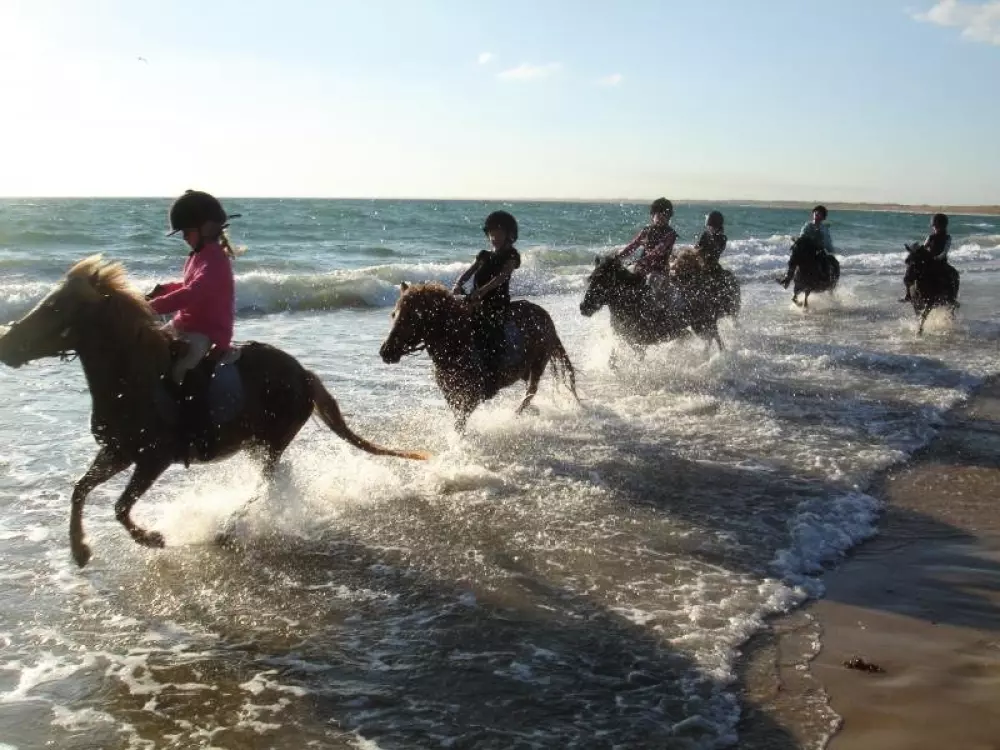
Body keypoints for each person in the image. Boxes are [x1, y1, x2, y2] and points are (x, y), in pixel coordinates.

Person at [146, 190, 239, 461]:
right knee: (148, 349)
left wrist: (152, 307)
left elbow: (192, 293)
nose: (184, 237)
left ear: (206, 228)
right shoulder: (197, 256)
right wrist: (161, 290)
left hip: (207, 333)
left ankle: (197, 430)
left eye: (187, 231)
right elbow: (185, 287)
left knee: (182, 369)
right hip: (184, 325)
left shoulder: (215, 260)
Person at [452, 210, 522, 397]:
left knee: (491, 336)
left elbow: (502, 277)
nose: (494, 237)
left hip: (496, 305)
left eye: (498, 233)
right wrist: (458, 284)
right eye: (491, 233)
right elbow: (468, 272)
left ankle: (491, 380)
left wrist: (482, 291)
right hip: (474, 302)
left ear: (508, 234)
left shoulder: (511, 256)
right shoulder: (483, 255)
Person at [901, 212, 952, 302]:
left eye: (937, 226)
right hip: (929, 260)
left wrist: (938, 257)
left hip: (940, 262)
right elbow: (924, 248)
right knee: (911, 271)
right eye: (934, 226)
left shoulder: (947, 238)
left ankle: (950, 298)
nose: (935, 228)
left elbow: (945, 251)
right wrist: (915, 250)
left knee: (951, 276)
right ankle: (908, 294)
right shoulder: (930, 237)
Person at [780, 205, 834, 288]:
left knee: (824, 261)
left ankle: (825, 281)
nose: (817, 215)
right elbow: (802, 236)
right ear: (813, 214)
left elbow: (827, 242)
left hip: (818, 250)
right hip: (807, 249)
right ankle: (788, 278)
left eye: (819, 214)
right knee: (795, 255)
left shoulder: (824, 228)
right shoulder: (807, 225)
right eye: (815, 213)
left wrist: (829, 249)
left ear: (823, 217)